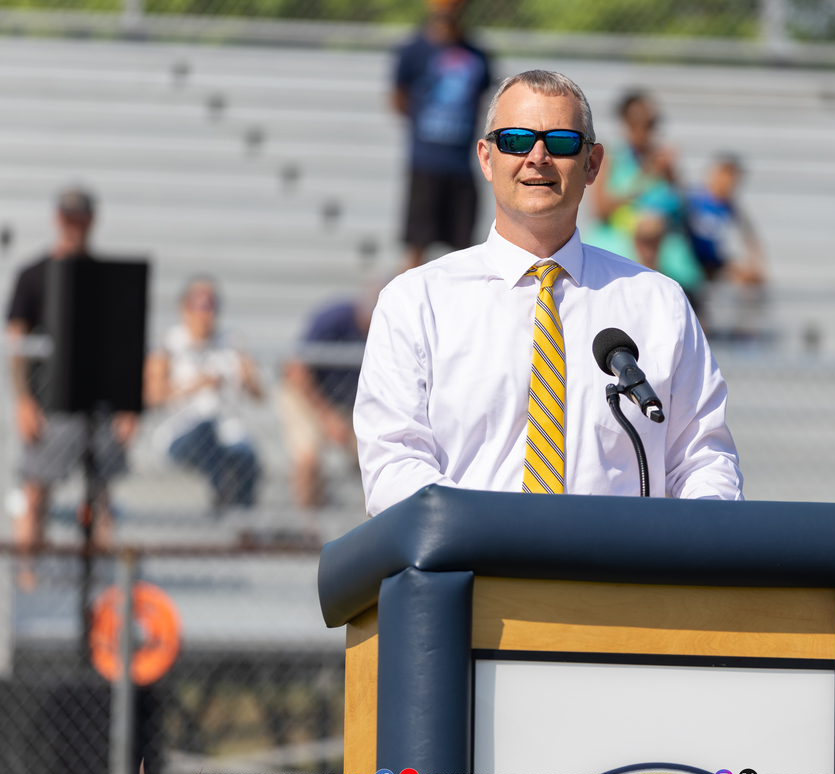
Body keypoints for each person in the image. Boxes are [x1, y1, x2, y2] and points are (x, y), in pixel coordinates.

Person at [354, 70, 743, 517]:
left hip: (618, 579)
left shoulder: (660, 304)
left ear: (593, 163)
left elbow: (704, 461)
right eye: (516, 140)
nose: (537, 156)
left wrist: (703, 550)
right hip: (472, 576)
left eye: (561, 142)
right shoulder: (416, 302)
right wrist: (499, 541)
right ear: (485, 158)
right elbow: (394, 466)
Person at [5, 188, 136, 590]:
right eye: (69, 218)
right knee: (36, 491)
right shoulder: (34, 274)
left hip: (98, 406)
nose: (74, 226)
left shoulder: (104, 276)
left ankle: (99, 582)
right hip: (50, 404)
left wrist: (127, 407)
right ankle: (28, 579)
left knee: (101, 497)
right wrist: (24, 401)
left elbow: (123, 344)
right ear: (57, 220)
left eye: (81, 219)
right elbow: (17, 343)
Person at [144, 277, 262, 508]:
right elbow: (152, 396)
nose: (207, 314)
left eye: (212, 305)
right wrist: (196, 385)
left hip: (227, 430)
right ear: (185, 309)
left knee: (247, 455)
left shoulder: (231, 343)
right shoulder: (169, 346)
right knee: (205, 428)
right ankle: (221, 491)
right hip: (182, 431)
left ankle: (244, 520)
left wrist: (247, 377)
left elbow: (259, 394)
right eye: (201, 305)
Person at [393, 0, 492, 272]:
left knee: (464, 249)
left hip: (462, 165)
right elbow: (397, 99)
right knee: (416, 244)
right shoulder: (414, 50)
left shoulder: (478, 54)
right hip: (425, 162)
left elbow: (483, 101)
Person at [587, 91, 703, 297]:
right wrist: (644, 179)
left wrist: (671, 178)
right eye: (638, 122)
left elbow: (684, 208)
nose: (646, 131)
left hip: (665, 253)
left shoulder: (663, 160)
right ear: (625, 123)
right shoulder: (611, 158)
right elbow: (600, 209)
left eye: (651, 123)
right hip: (620, 247)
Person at [277, 291, 375, 508]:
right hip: (306, 396)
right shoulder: (335, 318)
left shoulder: (390, 329)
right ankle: (308, 529)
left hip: (346, 404)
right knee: (307, 459)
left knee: (377, 459)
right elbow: (295, 370)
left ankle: (373, 526)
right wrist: (327, 417)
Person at [686, 153, 766, 287]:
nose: (729, 185)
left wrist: (754, 266)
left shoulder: (730, 207)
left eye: (734, 181)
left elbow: (750, 237)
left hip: (711, 265)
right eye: (727, 178)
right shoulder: (694, 199)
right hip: (691, 263)